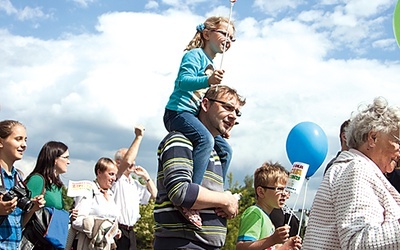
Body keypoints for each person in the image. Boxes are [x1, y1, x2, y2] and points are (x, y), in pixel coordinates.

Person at [163, 16, 237, 228]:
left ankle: (215, 193)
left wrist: (221, 126)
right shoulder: (195, 56)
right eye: (224, 34)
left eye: (232, 37)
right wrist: (208, 80)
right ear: (206, 34)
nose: (228, 39)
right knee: (205, 139)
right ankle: (192, 197)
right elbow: (182, 82)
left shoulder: (212, 64)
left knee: (225, 150)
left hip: (193, 116)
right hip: (177, 112)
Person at [154, 85, 245, 249]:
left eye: (237, 112)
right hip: (184, 244)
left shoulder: (216, 152)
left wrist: (225, 204)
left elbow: (210, 198)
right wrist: (225, 200)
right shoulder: (180, 140)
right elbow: (181, 192)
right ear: (205, 104)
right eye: (227, 107)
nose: (233, 116)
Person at [303, 96, 400, 249]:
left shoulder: (352, 167)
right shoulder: (357, 169)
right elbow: (358, 242)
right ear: (373, 138)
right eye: (398, 141)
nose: (399, 151)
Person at [72, 126, 144, 249]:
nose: (113, 178)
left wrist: (115, 231)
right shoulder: (89, 191)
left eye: (115, 175)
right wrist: (100, 226)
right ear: (99, 172)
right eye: (110, 174)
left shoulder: (110, 195)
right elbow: (77, 221)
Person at [236, 161, 302, 250]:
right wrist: (272, 239)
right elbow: (241, 247)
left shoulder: (268, 220)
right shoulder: (255, 213)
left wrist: (286, 246)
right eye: (279, 189)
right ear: (261, 192)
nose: (285, 194)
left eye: (286, 190)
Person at [0, 120, 45, 249]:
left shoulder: (18, 177)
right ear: (1, 142)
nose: (24, 145)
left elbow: (19, 224)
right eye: (18, 139)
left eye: (25, 140)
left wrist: (33, 208)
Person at [112, 129, 157, 250]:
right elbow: (127, 161)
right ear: (118, 163)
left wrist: (146, 177)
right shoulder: (116, 179)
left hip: (131, 230)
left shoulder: (134, 183)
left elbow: (154, 194)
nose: (133, 163)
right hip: (117, 229)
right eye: (131, 162)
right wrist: (138, 137)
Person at [24, 141, 72, 249]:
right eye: (65, 157)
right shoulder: (37, 180)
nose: (68, 162)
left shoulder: (56, 185)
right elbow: (23, 210)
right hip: (35, 242)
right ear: (54, 159)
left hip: (49, 243)